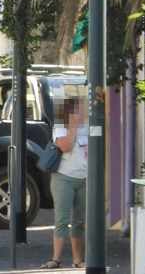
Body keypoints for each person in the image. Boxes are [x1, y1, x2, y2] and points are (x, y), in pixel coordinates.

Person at [41, 99, 89, 269]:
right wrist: (73, 127)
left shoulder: (88, 128)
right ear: (71, 112)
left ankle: (78, 260)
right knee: (62, 219)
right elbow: (66, 146)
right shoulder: (60, 128)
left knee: (79, 221)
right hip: (64, 178)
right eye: (81, 110)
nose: (84, 113)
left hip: (83, 179)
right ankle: (56, 258)